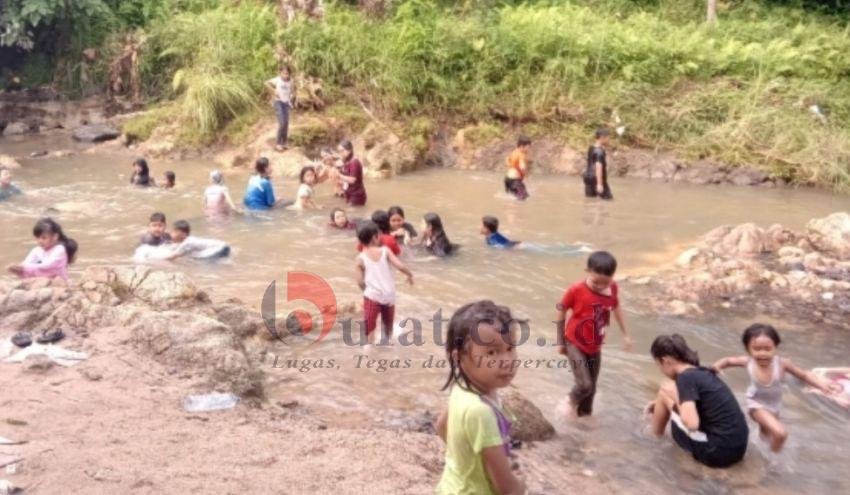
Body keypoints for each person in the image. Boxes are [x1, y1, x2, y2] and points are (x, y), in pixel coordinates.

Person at [435, 300, 526, 495]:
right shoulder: (481, 412)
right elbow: (508, 489)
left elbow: (441, 426)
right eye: (492, 352)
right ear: (459, 357)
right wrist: (521, 484)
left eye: (510, 349)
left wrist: (466, 459)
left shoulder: (462, 389)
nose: (507, 361)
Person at [712, 324, 843, 452]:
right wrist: (715, 367)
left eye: (767, 349)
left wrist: (821, 385)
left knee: (766, 436)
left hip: (774, 406)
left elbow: (804, 375)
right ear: (748, 349)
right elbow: (728, 361)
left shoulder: (782, 364)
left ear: (775, 347)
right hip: (755, 404)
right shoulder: (748, 362)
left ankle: (758, 451)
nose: (763, 353)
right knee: (780, 433)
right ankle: (774, 461)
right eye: (757, 349)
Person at [648, 334, 749, 468]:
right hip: (738, 448)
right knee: (666, 394)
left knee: (664, 390)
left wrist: (673, 397)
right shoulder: (701, 372)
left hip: (716, 453)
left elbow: (692, 424)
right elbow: (704, 404)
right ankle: (655, 427)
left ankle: (653, 438)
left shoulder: (685, 378)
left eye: (658, 365)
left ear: (666, 361)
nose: (661, 370)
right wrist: (664, 402)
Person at [555, 251, 632, 417]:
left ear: (612, 277)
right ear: (587, 272)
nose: (600, 286)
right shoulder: (576, 290)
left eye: (605, 282)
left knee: (591, 391)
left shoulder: (612, 288)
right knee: (584, 385)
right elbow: (561, 311)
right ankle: (568, 402)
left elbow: (616, 307)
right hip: (574, 341)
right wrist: (560, 341)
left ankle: (582, 422)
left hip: (595, 345)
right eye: (596, 282)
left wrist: (625, 334)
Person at [355, 221, 413, 344]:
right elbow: (399, 265)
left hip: (372, 296)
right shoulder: (385, 251)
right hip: (389, 295)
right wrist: (410, 274)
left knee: (370, 327)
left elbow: (359, 281)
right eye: (379, 235)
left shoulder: (360, 258)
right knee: (388, 325)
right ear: (374, 238)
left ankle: (369, 350)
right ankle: (387, 343)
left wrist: (366, 291)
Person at [7, 217, 77, 281]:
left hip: (59, 285)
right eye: (38, 238)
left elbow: (47, 267)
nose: (40, 241)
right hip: (41, 283)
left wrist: (23, 268)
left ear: (55, 237)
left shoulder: (59, 249)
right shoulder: (37, 250)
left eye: (44, 238)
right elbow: (27, 263)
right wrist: (19, 268)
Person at [164, 220, 230, 260]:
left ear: (183, 234)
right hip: (223, 246)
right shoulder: (190, 240)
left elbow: (172, 257)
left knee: (206, 266)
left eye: (174, 232)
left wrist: (158, 261)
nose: (171, 234)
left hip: (218, 249)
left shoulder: (187, 243)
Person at [265, 65, 294, 152]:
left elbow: (292, 90)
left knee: (286, 123)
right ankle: (278, 143)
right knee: (281, 122)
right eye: (283, 73)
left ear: (289, 74)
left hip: (286, 103)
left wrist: (291, 98)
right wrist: (273, 91)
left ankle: (284, 142)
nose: (285, 75)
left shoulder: (291, 81)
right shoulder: (277, 80)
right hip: (278, 102)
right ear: (280, 73)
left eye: (287, 73)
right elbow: (266, 83)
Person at [584, 129, 612, 200]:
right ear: (602, 138)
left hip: (588, 178)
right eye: (608, 138)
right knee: (608, 200)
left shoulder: (591, 148)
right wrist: (599, 184)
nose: (609, 140)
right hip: (597, 179)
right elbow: (598, 166)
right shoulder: (599, 151)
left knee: (590, 200)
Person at [337, 140, 367, 206]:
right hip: (349, 193)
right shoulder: (346, 162)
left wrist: (338, 175)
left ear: (349, 150)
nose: (340, 153)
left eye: (342, 151)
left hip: (357, 195)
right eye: (339, 151)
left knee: (352, 214)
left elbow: (352, 180)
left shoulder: (354, 162)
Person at [504, 136, 531, 200]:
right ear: (522, 146)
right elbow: (522, 166)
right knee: (523, 199)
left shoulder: (514, 152)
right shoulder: (521, 154)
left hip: (507, 179)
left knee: (522, 196)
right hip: (515, 181)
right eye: (528, 147)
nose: (529, 149)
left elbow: (507, 160)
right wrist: (525, 173)